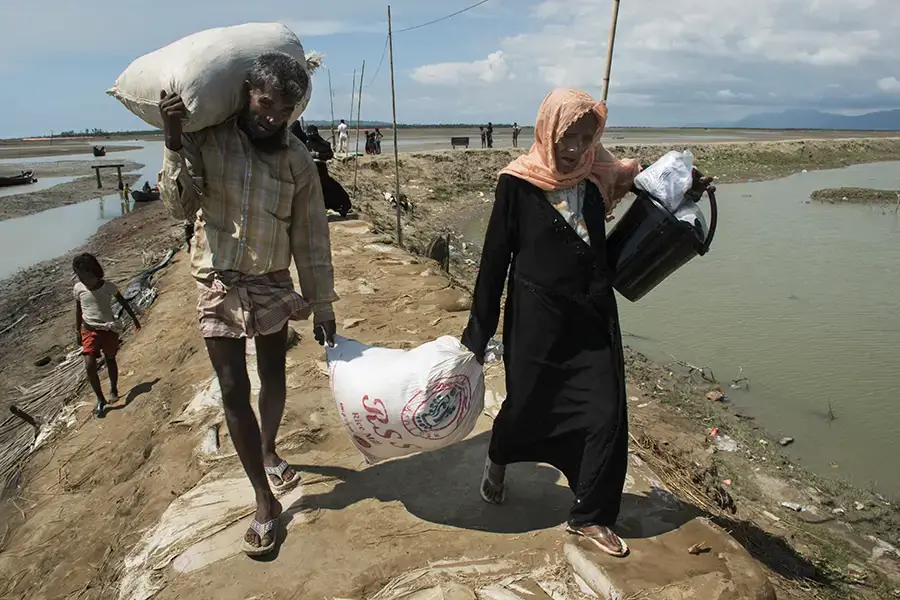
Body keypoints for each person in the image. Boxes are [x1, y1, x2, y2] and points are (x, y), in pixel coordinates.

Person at [157, 52, 339, 557]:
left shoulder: (296, 159)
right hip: (217, 282)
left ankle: (268, 448)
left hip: (272, 281)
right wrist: (173, 140)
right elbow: (178, 206)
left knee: (274, 377)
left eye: (284, 109)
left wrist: (322, 304)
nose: (272, 117)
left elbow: (311, 236)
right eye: (265, 103)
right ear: (246, 94)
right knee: (233, 388)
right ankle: (264, 498)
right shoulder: (206, 139)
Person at [461, 89, 641, 558]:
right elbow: (494, 259)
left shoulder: (599, 174)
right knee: (527, 403)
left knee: (605, 410)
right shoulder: (517, 183)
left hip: (593, 314)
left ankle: (590, 516)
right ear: (547, 130)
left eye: (588, 136)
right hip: (537, 316)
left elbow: (653, 191)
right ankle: (499, 458)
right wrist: (478, 334)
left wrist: (690, 186)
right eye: (568, 135)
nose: (577, 147)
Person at [73, 253, 142, 418]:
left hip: (108, 330)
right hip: (88, 330)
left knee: (110, 358)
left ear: (93, 272)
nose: (81, 278)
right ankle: (100, 398)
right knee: (89, 365)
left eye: (83, 275)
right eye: (78, 275)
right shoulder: (78, 288)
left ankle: (113, 388)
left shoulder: (108, 287)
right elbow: (78, 309)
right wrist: (77, 330)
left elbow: (123, 301)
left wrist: (134, 318)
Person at [290, 123, 352, 217]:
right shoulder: (303, 144)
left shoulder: (321, 144)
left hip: (319, 172)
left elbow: (328, 154)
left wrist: (317, 155)